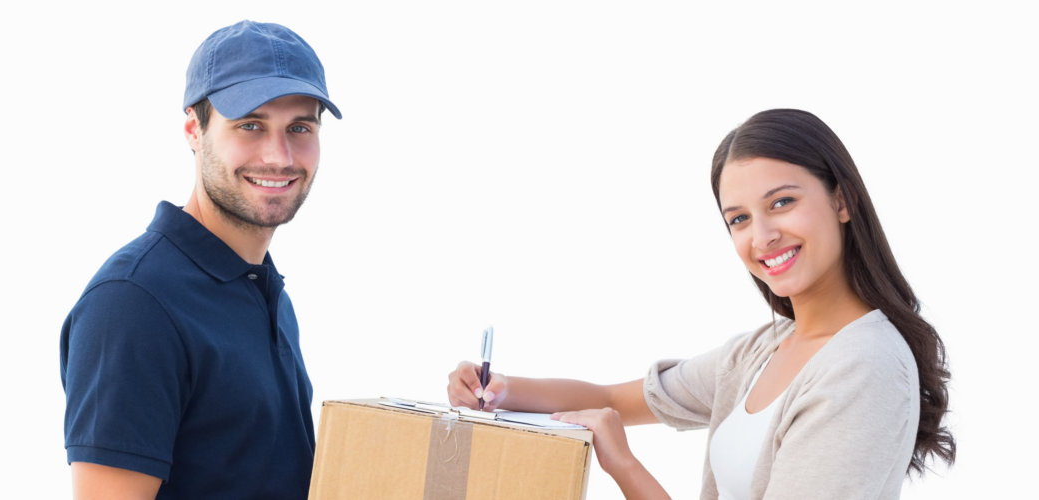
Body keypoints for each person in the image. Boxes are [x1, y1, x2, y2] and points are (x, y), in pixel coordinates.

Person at [446, 109, 953, 499]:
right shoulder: (763, 351)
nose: (764, 235)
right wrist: (499, 389)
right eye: (739, 219)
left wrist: (624, 466)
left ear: (841, 200)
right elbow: (611, 400)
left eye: (782, 202)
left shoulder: (863, 367)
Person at [61, 20, 341, 500]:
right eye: (250, 125)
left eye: (300, 127)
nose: (279, 156)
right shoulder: (134, 304)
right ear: (194, 128)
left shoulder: (261, 288)